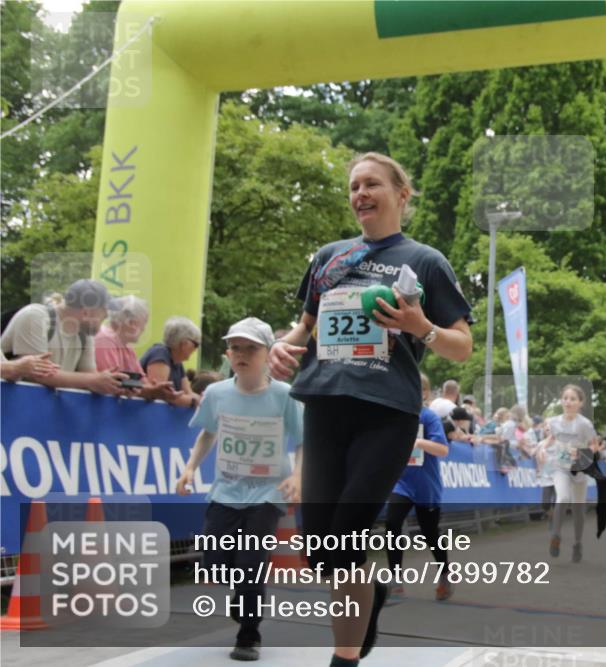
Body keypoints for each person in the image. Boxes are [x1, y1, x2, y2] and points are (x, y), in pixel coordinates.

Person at [267, 151, 472, 666]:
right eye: (354, 186)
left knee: (348, 533)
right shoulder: (329, 257)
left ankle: (344, 659)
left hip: (387, 413)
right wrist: (283, 346)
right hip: (325, 406)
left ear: (401, 193)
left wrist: (418, 326)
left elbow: (461, 346)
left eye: (372, 184)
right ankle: (372, 593)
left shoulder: (425, 261)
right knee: (321, 551)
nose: (360, 194)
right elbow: (305, 325)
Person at [176, 317, 303, 662]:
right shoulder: (217, 393)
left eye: (251, 348)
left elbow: (304, 440)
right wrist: (189, 468)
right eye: (235, 347)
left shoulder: (286, 395)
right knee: (214, 563)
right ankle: (240, 594)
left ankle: (249, 635)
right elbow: (207, 433)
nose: (241, 354)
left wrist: (298, 476)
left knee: (251, 565)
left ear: (267, 354)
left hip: (267, 495)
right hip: (225, 492)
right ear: (228, 353)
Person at [384, 374, 452, 604]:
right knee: (392, 523)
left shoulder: (429, 417)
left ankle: (444, 575)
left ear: (424, 393)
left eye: (414, 388)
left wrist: (420, 443)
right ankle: (396, 580)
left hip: (426, 485)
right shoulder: (396, 416)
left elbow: (443, 450)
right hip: (402, 483)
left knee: (430, 534)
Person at [1, 280, 129, 395]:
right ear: (86, 312)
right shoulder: (35, 316)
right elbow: (37, 375)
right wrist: (95, 380)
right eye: (104, 314)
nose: (105, 318)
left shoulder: (84, 333)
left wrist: (113, 385)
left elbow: (89, 376)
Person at [538, 384, 598, 563]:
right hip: (560, 466)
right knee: (563, 498)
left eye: (572, 399)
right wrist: (542, 448)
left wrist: (582, 453)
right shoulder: (554, 421)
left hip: (579, 469)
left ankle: (578, 543)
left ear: (580, 403)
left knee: (579, 509)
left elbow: (595, 445)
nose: (568, 402)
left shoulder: (585, 424)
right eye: (565, 398)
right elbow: (551, 439)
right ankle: (555, 536)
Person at [94, 295, 179, 402]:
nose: (144, 329)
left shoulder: (127, 348)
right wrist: (152, 391)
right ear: (132, 323)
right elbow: (114, 385)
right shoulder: (104, 341)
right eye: (144, 322)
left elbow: (142, 382)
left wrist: (156, 389)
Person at [140, 316, 203, 408]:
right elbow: (161, 395)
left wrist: (202, 400)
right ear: (185, 343)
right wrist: (194, 402)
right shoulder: (160, 354)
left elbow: (188, 392)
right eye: (196, 344)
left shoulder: (177, 362)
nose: (196, 349)